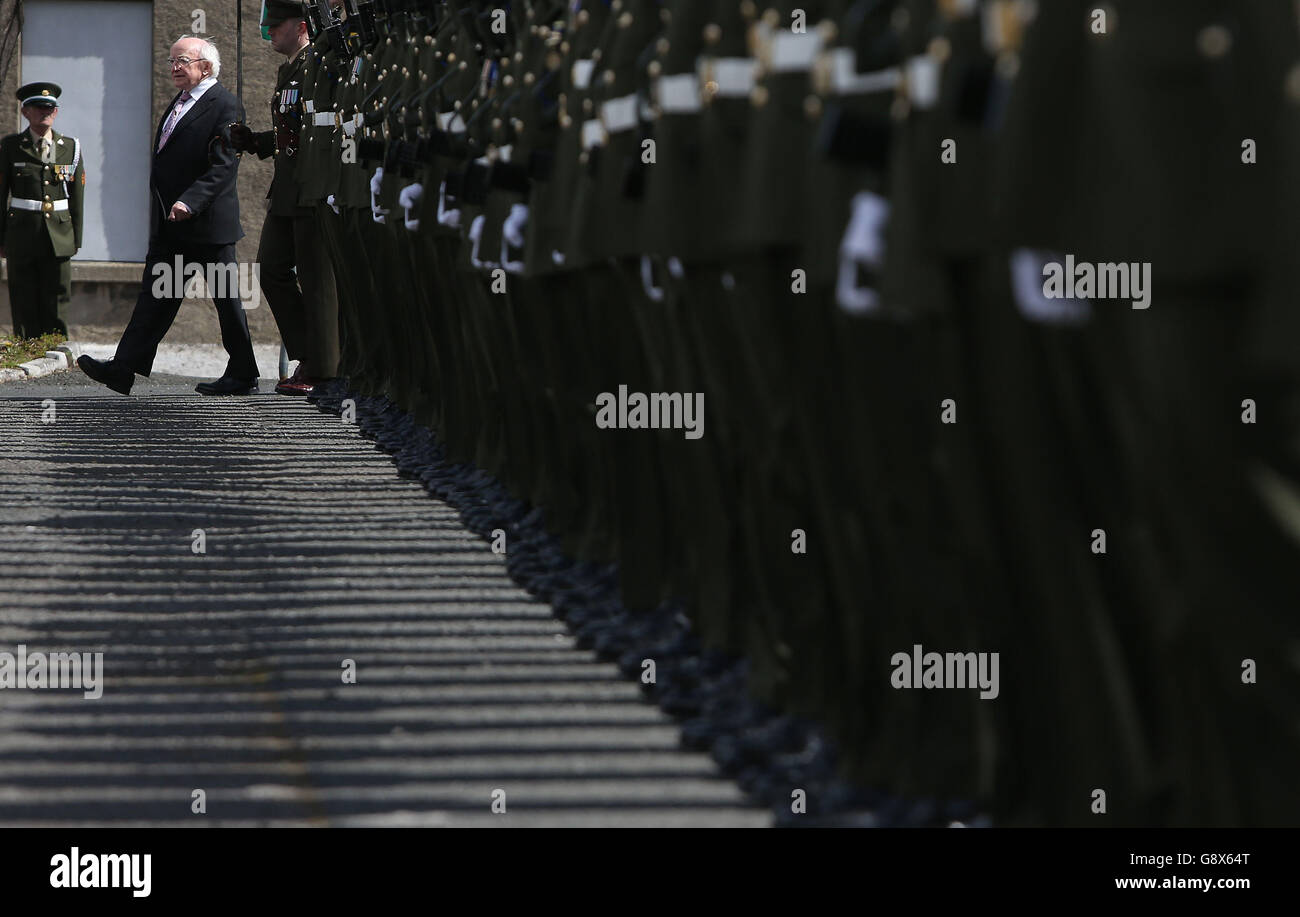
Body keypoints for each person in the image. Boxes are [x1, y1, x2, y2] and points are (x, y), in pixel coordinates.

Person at [78, 36, 259, 396]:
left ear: (205, 67)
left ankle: (243, 373)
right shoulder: (181, 101)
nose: (174, 67)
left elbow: (223, 167)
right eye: (172, 61)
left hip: (207, 226)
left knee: (226, 300)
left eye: (182, 61)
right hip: (171, 224)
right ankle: (123, 368)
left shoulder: (225, 105)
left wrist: (190, 201)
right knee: (155, 297)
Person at [228, 0, 339, 396]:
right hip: (288, 187)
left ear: (301, 24)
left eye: (277, 23)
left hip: (312, 187)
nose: (270, 30)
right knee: (271, 267)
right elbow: (293, 133)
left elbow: (319, 131)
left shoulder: (320, 62)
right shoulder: (290, 68)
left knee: (316, 277)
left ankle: (323, 367)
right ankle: (310, 351)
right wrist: (256, 141)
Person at [0, 82, 85, 339]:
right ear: (25, 111)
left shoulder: (70, 147)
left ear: (56, 112)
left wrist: (75, 239)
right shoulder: (12, 146)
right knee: (23, 294)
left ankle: (56, 346)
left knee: (58, 294)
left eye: (50, 108)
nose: (45, 112)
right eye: (38, 107)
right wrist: (1, 239)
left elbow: (78, 199)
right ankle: (27, 346)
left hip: (58, 234)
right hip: (21, 234)